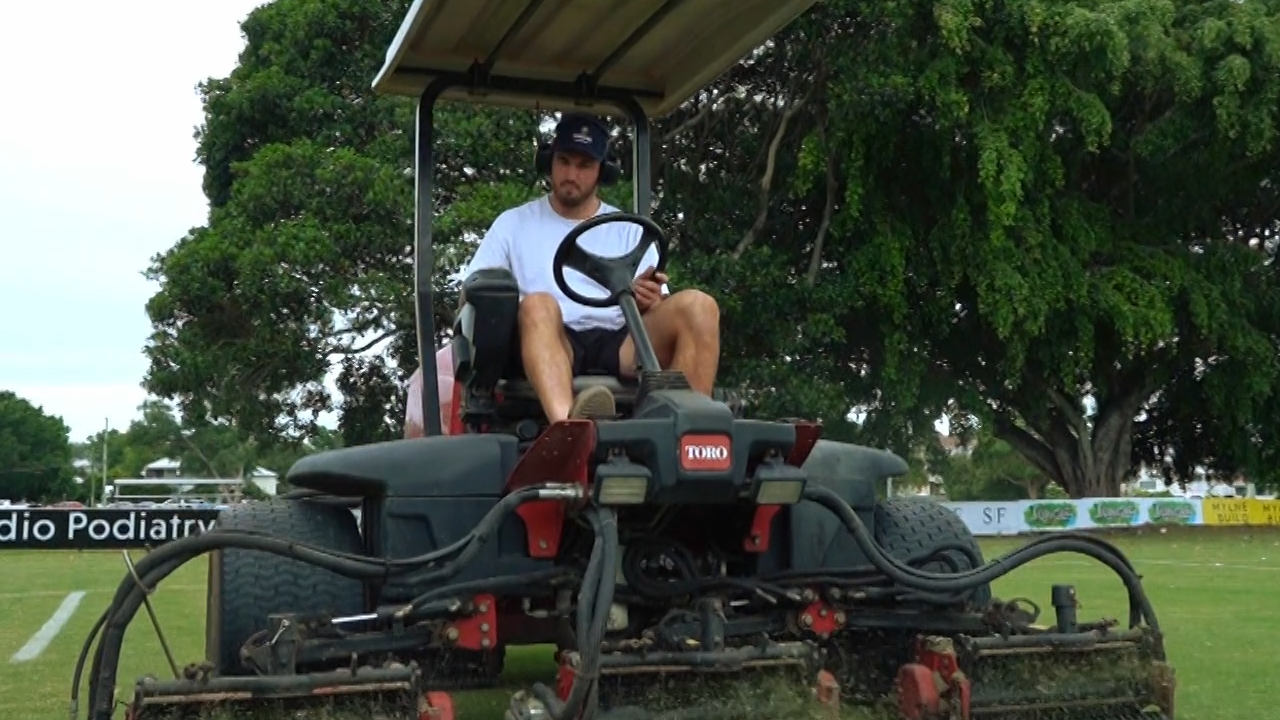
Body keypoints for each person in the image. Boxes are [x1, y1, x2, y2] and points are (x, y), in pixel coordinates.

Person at [460, 112, 721, 423]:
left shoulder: (628, 229)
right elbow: (470, 295)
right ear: (550, 161)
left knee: (700, 306)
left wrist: (651, 300)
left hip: (621, 339)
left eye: (584, 166)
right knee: (538, 304)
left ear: (602, 171)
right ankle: (569, 426)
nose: (572, 174)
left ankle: (690, 430)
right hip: (553, 341)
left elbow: (658, 300)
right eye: (565, 161)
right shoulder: (514, 224)